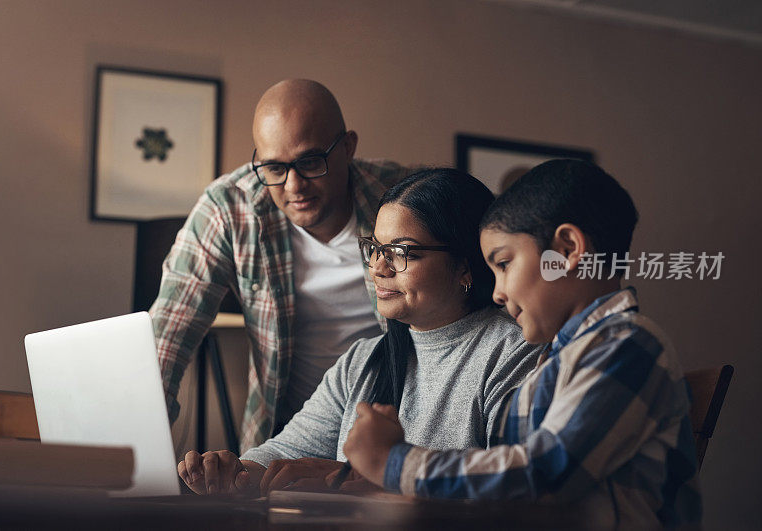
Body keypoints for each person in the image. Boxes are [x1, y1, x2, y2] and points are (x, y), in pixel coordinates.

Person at [343, 160, 702, 528]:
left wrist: (394, 462)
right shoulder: (552, 362)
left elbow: (544, 473)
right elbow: (501, 484)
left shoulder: (629, 347)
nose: (496, 293)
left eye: (503, 263)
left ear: (565, 250)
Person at [177, 168, 544, 496]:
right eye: (375, 248)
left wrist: (356, 479)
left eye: (402, 251)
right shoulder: (363, 359)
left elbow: (512, 492)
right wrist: (235, 472)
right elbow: (286, 451)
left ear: (465, 266)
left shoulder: (513, 353)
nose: (378, 267)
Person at [150, 79, 414, 451]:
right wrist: (130, 449)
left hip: (399, 425)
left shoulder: (403, 197)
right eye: (274, 167)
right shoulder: (230, 207)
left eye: (309, 162)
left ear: (348, 148)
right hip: (286, 432)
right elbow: (168, 334)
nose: (294, 186)